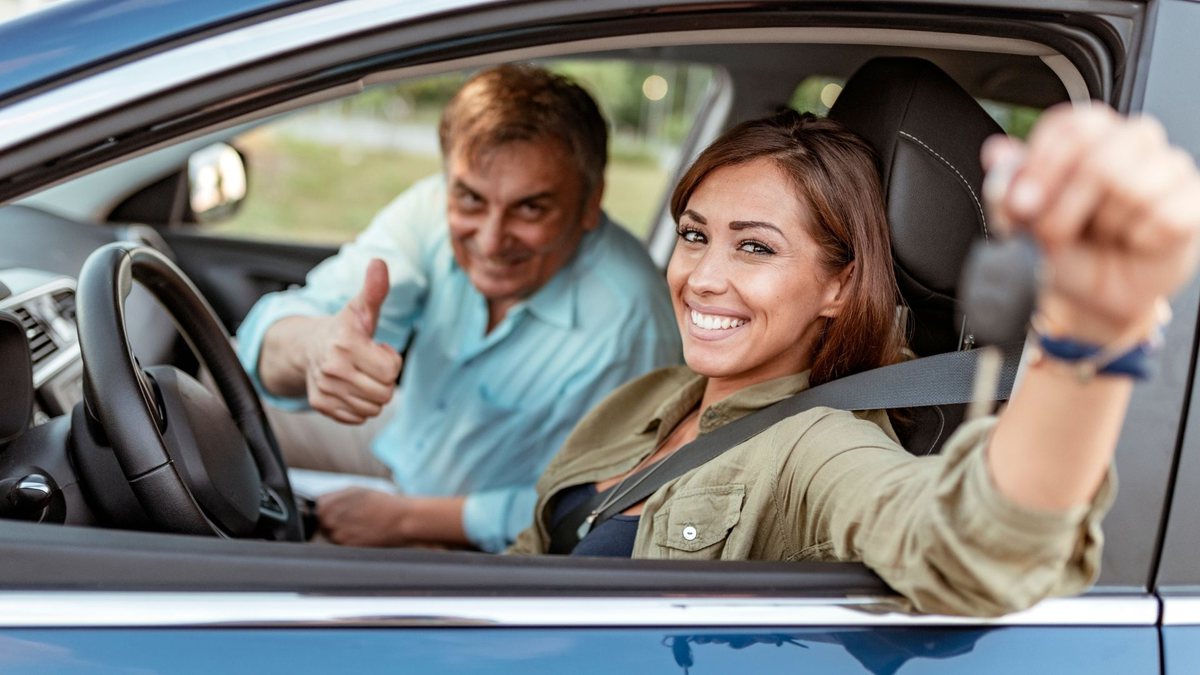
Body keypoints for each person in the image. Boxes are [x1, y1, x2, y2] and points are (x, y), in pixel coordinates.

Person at [507, 106, 1200, 617]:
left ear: (839, 285)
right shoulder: (646, 398)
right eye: (694, 234)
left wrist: (1087, 335)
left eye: (755, 247)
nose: (702, 276)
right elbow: (521, 570)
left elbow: (973, 550)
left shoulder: (820, 445)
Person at [235, 64, 682, 552]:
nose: (490, 241)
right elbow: (279, 329)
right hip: (406, 445)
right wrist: (315, 351)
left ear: (591, 202)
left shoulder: (631, 319)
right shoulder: (429, 209)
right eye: (469, 199)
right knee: (210, 400)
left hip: (480, 541)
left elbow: (596, 507)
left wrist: (407, 520)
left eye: (531, 208)